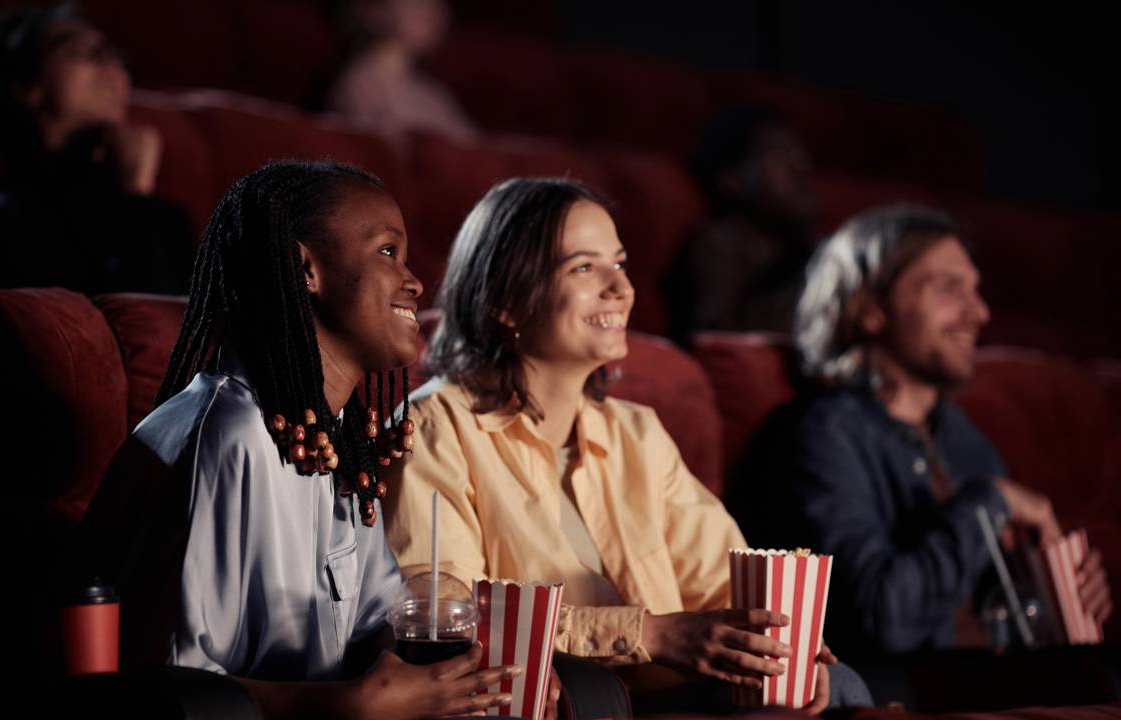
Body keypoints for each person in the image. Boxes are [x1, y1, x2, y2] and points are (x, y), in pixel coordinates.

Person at [383, 177, 868, 714]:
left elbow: (722, 589)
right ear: (505, 301)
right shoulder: (434, 427)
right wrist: (651, 634)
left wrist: (784, 649)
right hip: (562, 706)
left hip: (681, 702)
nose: (621, 288)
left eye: (619, 263)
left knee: (840, 685)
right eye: (584, 267)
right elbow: (448, 619)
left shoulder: (638, 433)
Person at [79, 160, 523, 718]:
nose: (414, 281)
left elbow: (375, 623)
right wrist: (345, 706)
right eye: (388, 251)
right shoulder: (229, 434)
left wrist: (481, 671)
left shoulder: (333, 439)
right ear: (304, 268)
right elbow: (174, 692)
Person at [728, 205, 1113, 654]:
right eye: (948, 288)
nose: (980, 312)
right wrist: (991, 503)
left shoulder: (965, 439)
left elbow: (996, 613)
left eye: (976, 290)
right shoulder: (818, 436)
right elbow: (882, 621)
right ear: (870, 308)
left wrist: (1047, 595)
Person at [0, 4, 193, 294]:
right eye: (84, 52)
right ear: (26, 86)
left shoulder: (165, 217)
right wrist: (135, 191)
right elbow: (127, 308)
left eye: (112, 55)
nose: (112, 68)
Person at [666, 106, 817, 338]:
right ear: (731, 179)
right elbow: (717, 333)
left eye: (798, 152)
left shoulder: (803, 241)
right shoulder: (719, 243)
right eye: (779, 154)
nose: (800, 164)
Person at [323, 0, 476, 141]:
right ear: (373, 10)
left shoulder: (436, 96)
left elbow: (474, 148)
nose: (430, 10)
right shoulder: (360, 84)